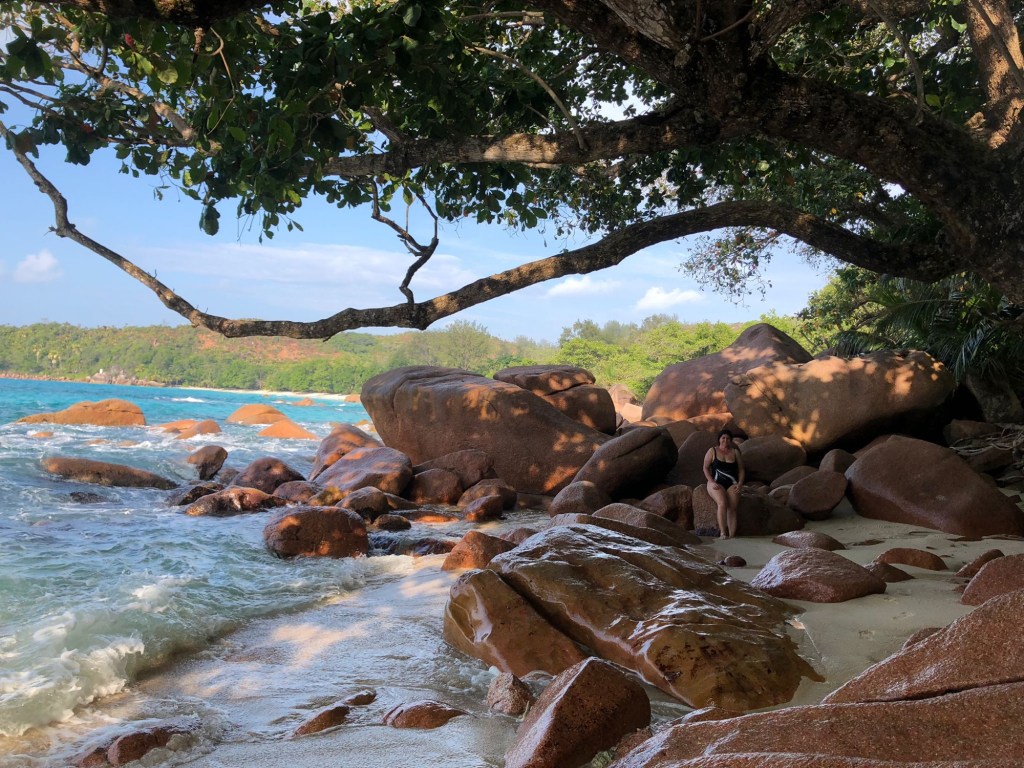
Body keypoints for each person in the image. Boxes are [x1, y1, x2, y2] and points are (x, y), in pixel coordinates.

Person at [703, 429, 745, 539]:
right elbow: (705, 468)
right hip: (716, 482)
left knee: (732, 507)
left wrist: (740, 484)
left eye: (728, 438)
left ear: (731, 440)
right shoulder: (712, 451)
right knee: (722, 503)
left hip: (732, 483)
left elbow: (741, 469)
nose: (725, 440)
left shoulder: (735, 452)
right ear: (719, 439)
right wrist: (711, 481)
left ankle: (732, 535)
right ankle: (723, 533)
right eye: (723, 438)